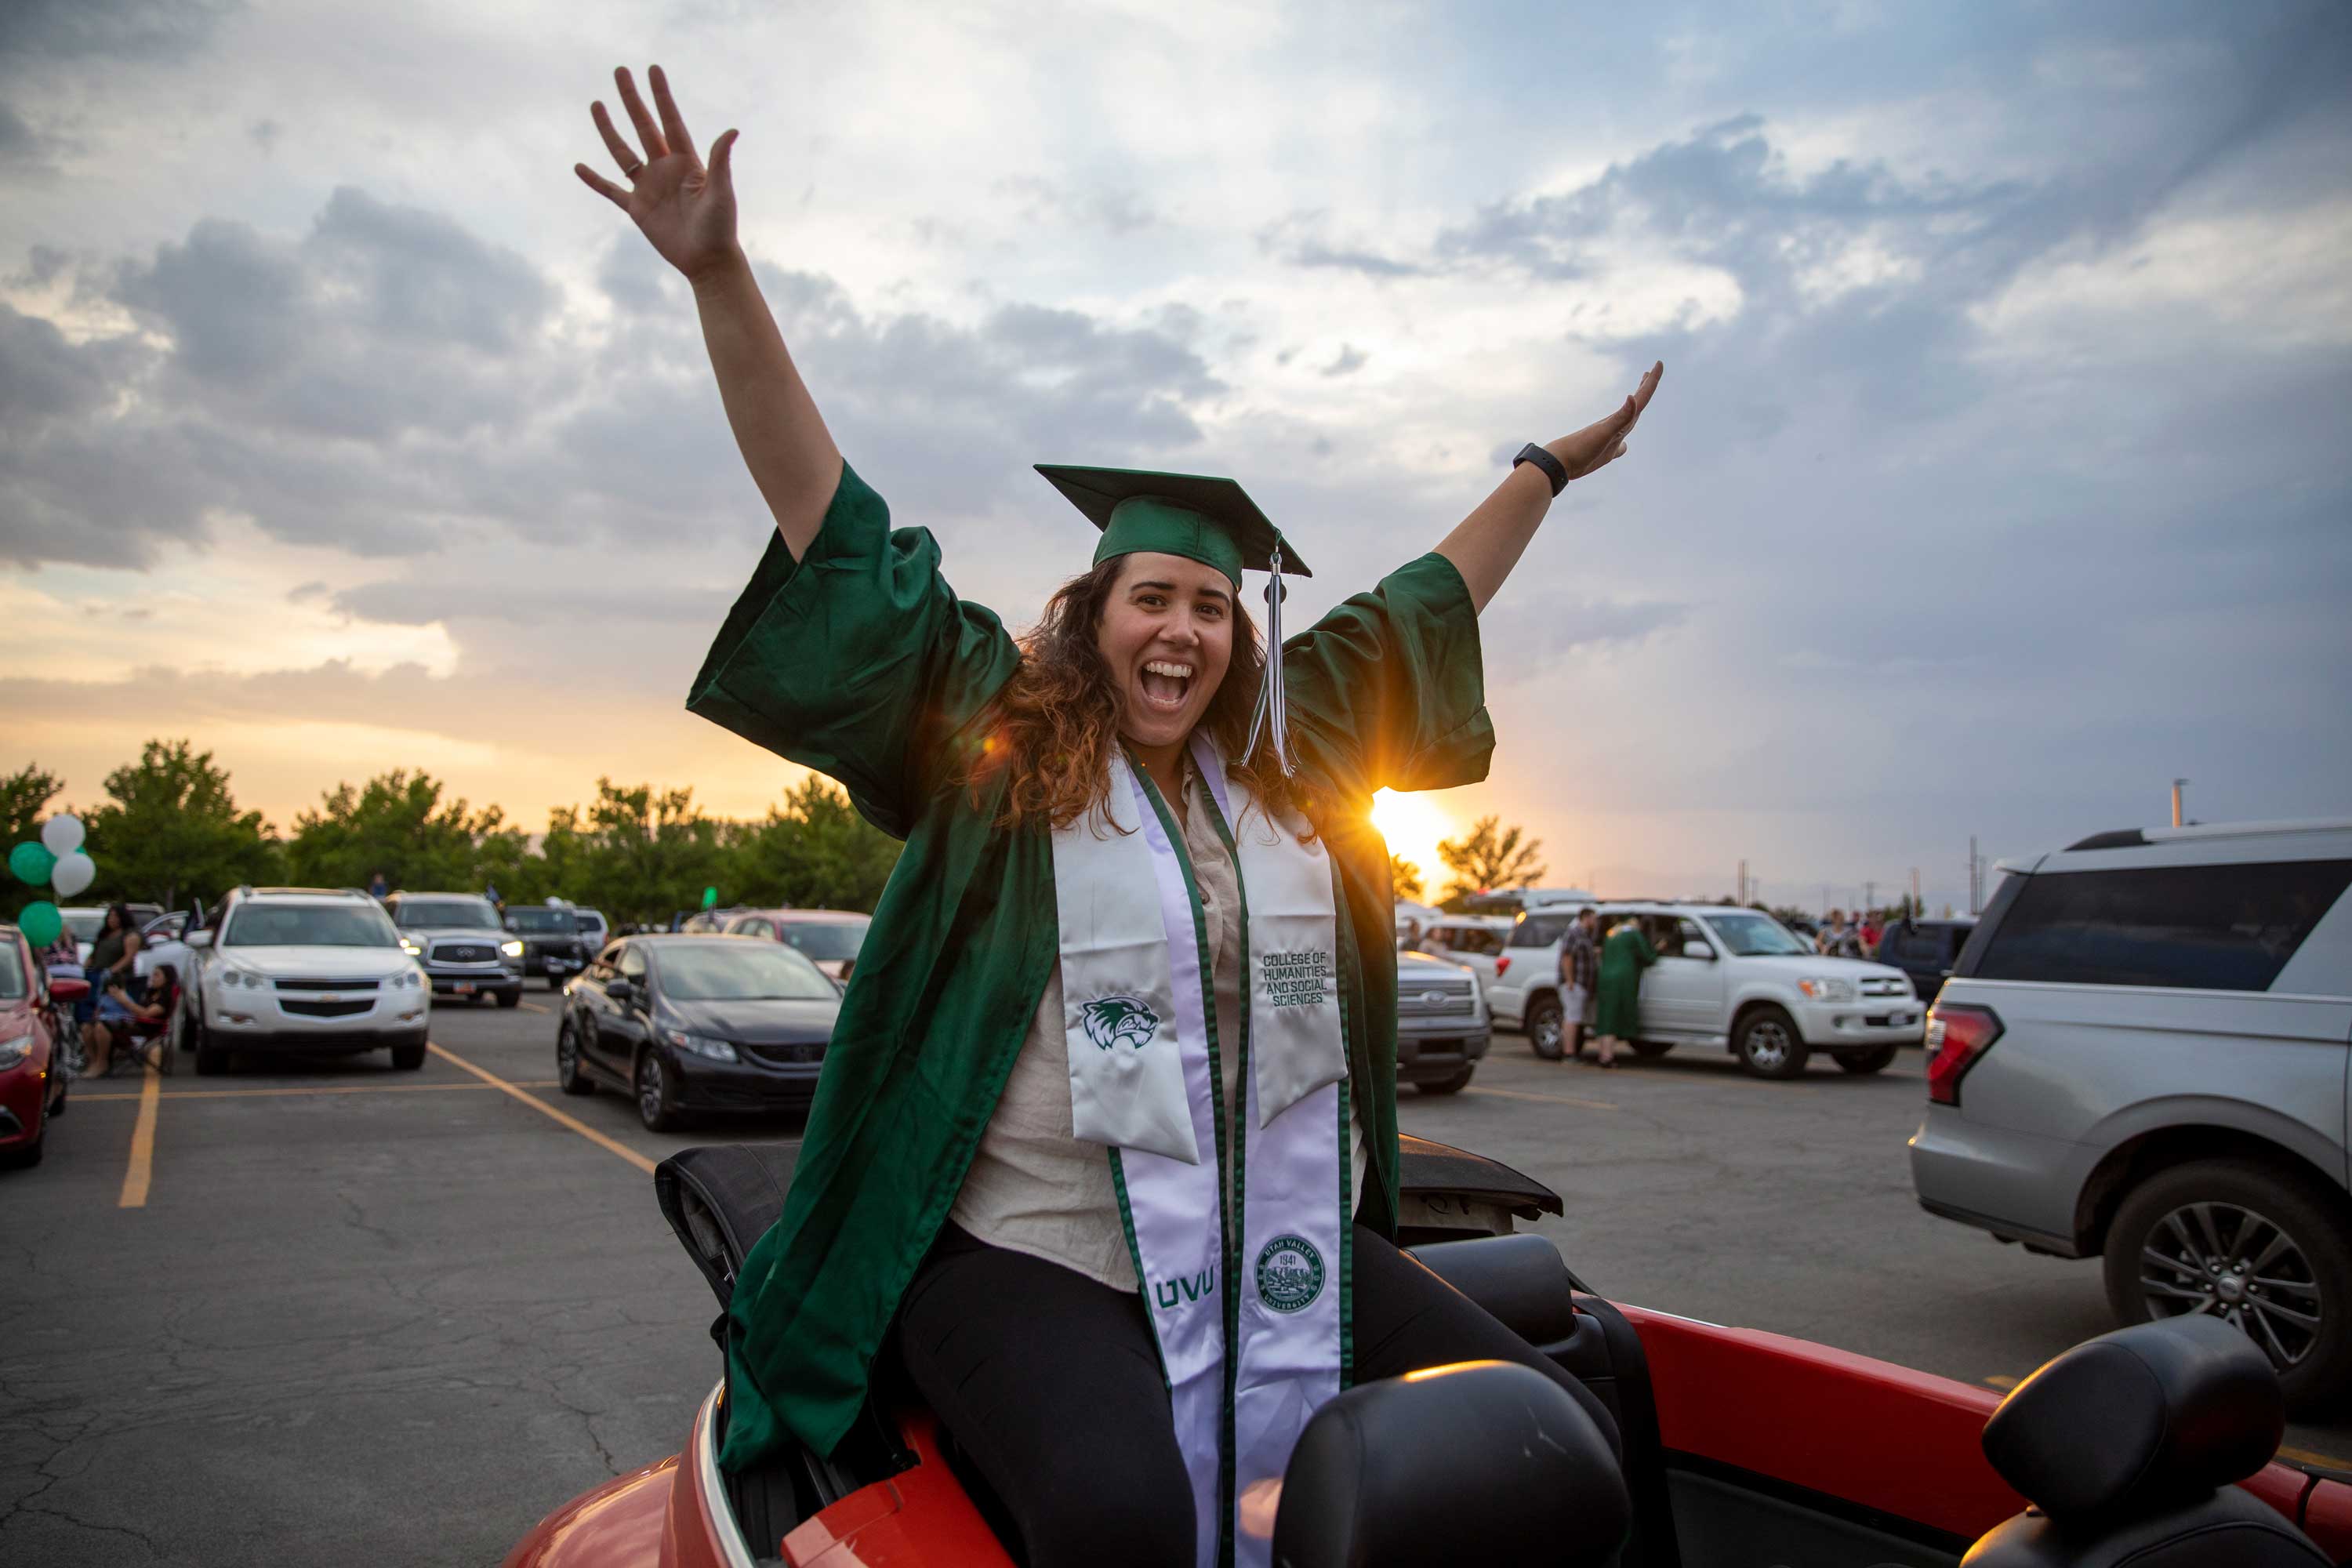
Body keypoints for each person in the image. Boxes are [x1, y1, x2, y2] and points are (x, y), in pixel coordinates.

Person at [578, 64, 1659, 1568]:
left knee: (1542, 1428)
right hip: (1041, 1245)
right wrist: (722, 277)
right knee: (1118, 1514)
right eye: (1154, 597)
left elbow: (1428, 598)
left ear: (1239, 638)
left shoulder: (1293, 751)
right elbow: (841, 534)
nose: (1185, 629)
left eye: (1214, 608)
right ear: (1094, 617)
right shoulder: (1001, 742)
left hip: (1267, 1232)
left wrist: (1542, 470)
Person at [79, 902, 142, 1072]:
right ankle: (92, 1060)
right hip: (95, 977)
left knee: (104, 1018)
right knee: (86, 1022)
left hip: (114, 981)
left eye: (115, 916)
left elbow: (129, 957)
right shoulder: (104, 935)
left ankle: (103, 1061)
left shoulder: (130, 935)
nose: (111, 919)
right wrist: (84, 969)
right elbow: (94, 955)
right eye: (110, 916)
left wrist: (112, 971)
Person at [1589, 916, 1657, 1069]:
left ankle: (1602, 1054)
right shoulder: (1633, 934)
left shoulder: (1612, 932)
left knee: (1605, 1015)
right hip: (1623, 979)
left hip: (1605, 976)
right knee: (1613, 1018)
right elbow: (1648, 956)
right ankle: (1607, 1057)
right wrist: (1658, 950)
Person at [1558, 906, 1600, 1062]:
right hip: (1575, 984)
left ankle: (1572, 1051)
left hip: (1582, 984)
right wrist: (1570, 981)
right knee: (1572, 1018)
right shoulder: (1574, 933)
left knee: (1576, 1018)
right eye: (1594, 919)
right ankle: (1569, 1053)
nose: (1596, 922)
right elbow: (1567, 957)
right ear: (1586, 918)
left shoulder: (1585, 936)